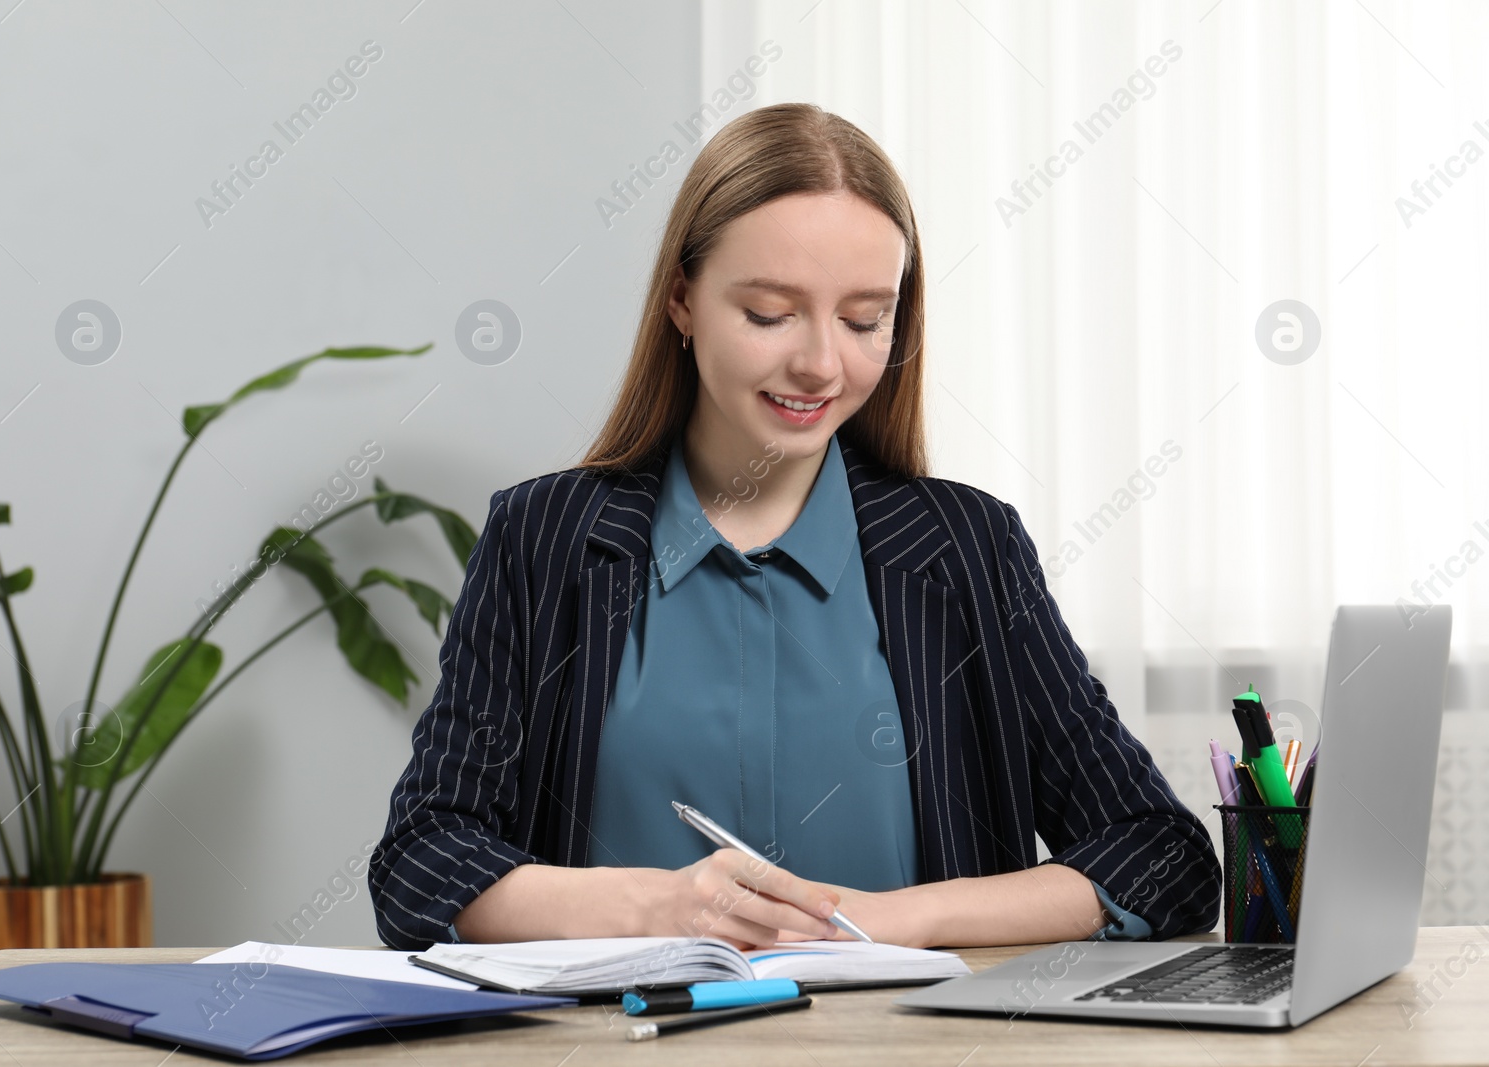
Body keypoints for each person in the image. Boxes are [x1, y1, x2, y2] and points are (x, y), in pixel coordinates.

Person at [369, 102, 1219, 951]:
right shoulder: (543, 537)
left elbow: (1161, 854)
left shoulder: (969, 547)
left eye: (863, 319)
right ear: (682, 299)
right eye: (771, 313)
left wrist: (889, 920)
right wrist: (653, 909)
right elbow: (421, 860)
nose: (820, 363)